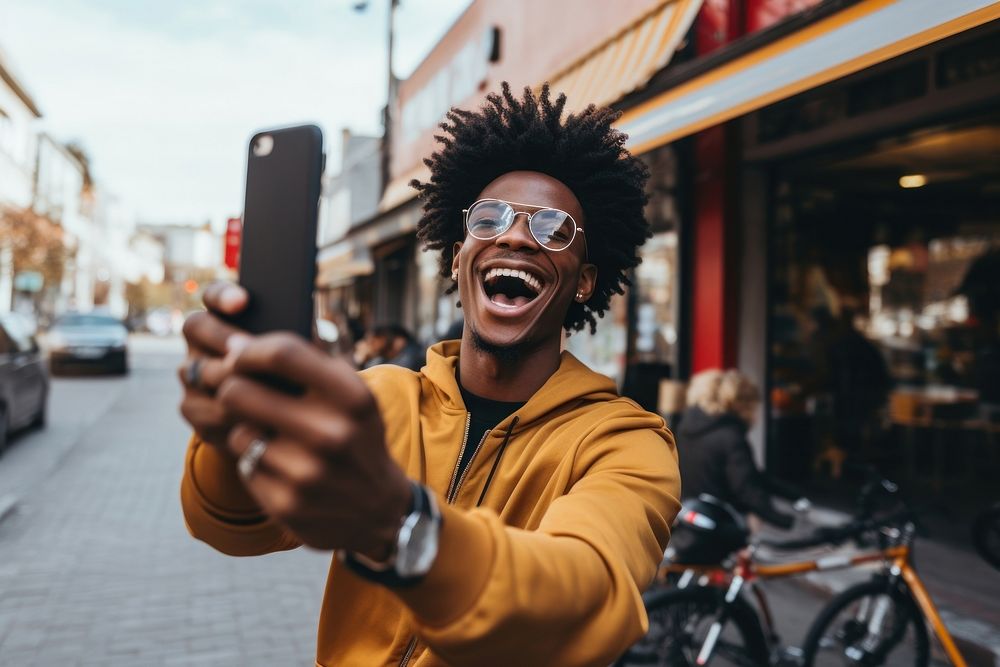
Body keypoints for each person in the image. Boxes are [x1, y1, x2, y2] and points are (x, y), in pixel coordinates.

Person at [177, 83, 681, 666]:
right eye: (489, 219)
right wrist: (235, 428)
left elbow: (586, 600)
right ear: (457, 256)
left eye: (553, 228)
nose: (516, 236)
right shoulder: (377, 401)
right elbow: (233, 528)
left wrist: (401, 525)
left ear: (585, 280)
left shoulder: (627, 444)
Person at [677, 369, 796, 529]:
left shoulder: (686, 428)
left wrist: (791, 494)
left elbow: (751, 476)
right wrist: (782, 519)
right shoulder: (730, 436)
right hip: (724, 523)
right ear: (742, 404)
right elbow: (746, 488)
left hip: (689, 514)